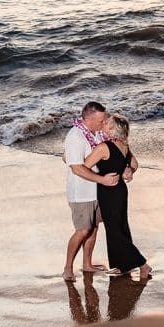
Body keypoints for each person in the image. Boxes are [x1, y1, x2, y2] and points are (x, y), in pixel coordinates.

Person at [84, 113, 151, 281]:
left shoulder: (104, 147)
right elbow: (135, 165)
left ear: (113, 129)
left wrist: (68, 158)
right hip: (120, 190)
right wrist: (129, 170)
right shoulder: (124, 146)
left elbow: (84, 166)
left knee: (114, 231)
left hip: (109, 191)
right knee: (121, 228)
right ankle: (122, 266)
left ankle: (142, 264)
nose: (104, 123)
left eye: (108, 122)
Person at [62, 101, 119, 282]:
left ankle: (87, 264)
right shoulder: (75, 137)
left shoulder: (97, 133)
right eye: (101, 120)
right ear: (88, 119)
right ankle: (68, 268)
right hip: (81, 193)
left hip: (97, 191)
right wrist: (103, 180)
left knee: (94, 228)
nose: (104, 123)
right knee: (83, 230)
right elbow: (77, 168)